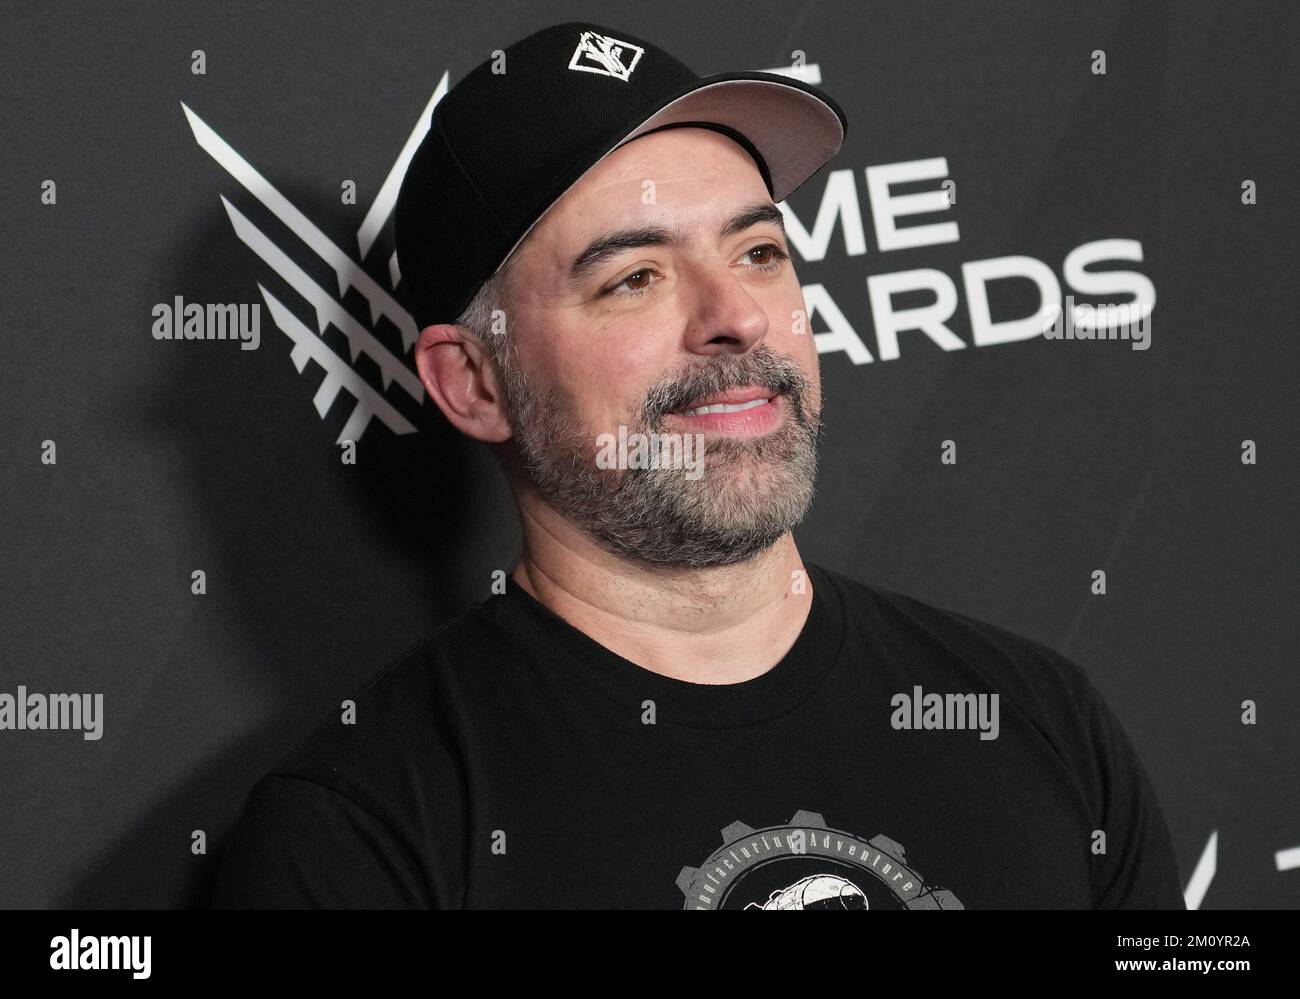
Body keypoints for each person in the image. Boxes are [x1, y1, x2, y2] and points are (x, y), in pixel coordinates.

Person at [210, 21, 1184, 910]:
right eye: (634, 277)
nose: (739, 317)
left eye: (759, 251)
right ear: (473, 384)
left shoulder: (1040, 721)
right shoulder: (357, 835)